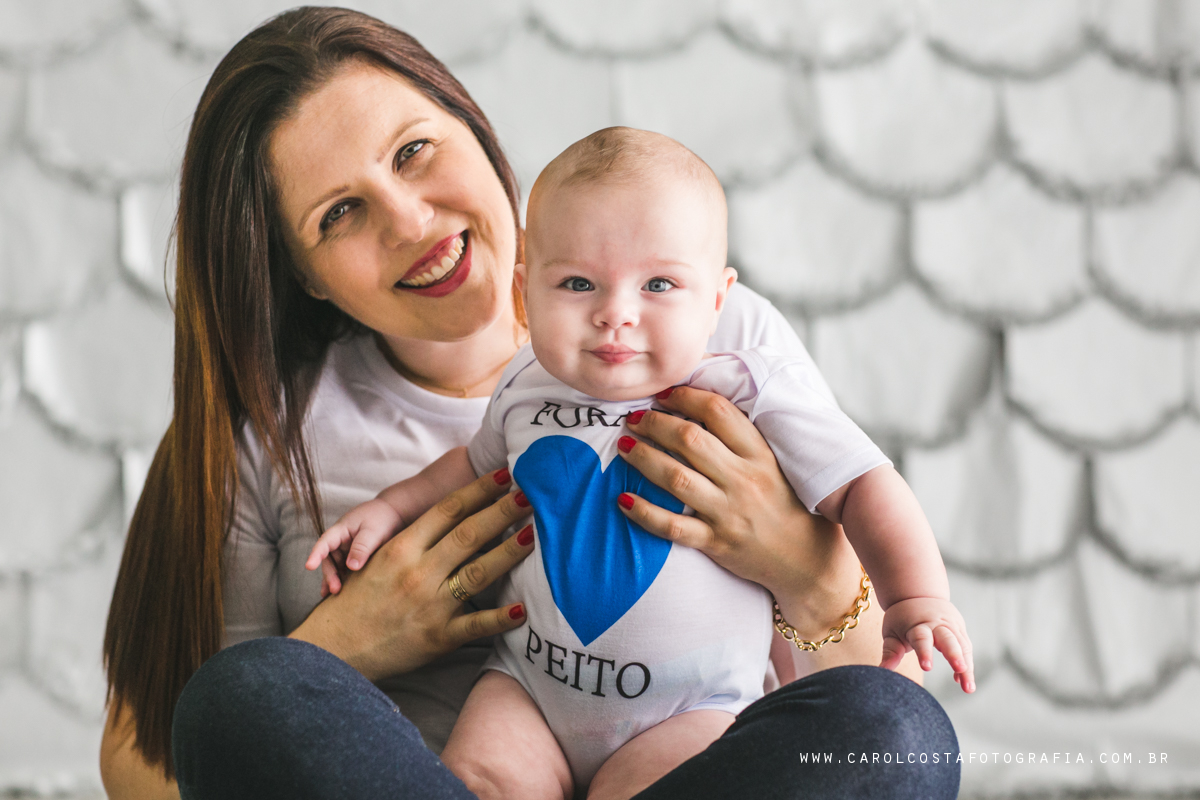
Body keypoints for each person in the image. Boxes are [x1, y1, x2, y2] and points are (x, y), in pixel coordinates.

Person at [98, 7, 961, 800]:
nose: (410, 221)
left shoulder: (714, 340)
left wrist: (801, 569)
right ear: (303, 277)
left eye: (413, 151)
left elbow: (852, 692)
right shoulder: (268, 430)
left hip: (685, 758)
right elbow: (160, 756)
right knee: (244, 689)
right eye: (341, 214)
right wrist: (345, 643)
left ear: (473, 124)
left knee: (895, 731)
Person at [306, 127, 973, 799]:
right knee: (481, 778)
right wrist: (389, 508)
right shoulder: (526, 383)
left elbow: (863, 484)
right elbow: (469, 469)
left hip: (690, 710)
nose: (614, 314)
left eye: (658, 284)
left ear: (717, 300)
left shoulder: (747, 389)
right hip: (531, 690)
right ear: (524, 292)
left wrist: (916, 596)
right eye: (576, 282)